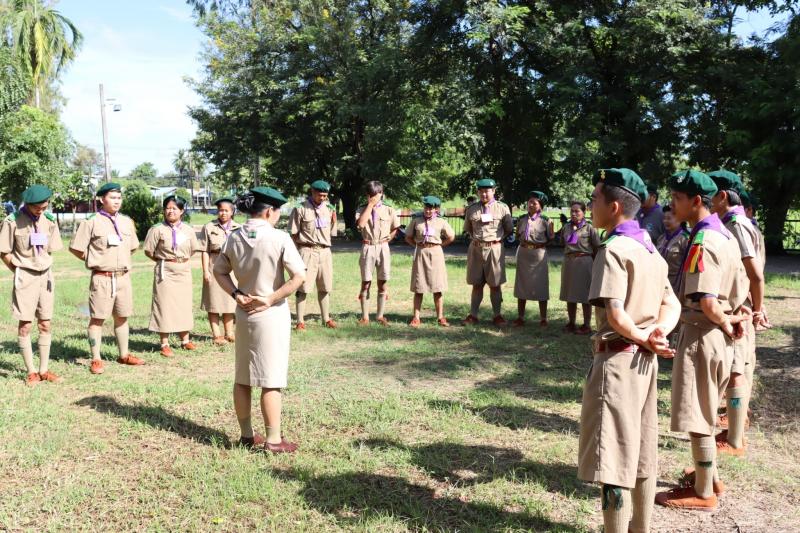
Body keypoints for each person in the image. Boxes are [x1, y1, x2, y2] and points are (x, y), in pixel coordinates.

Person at [578, 168, 680, 533]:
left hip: (618, 362)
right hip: (645, 362)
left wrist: (641, 335)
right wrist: (657, 334)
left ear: (615, 206)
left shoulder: (614, 249)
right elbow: (674, 305)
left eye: (594, 199)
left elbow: (617, 315)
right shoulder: (650, 249)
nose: (590, 205)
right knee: (642, 450)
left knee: (614, 457)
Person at [655, 169, 749, 512]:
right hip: (716, 333)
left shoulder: (703, 241)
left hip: (702, 333)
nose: (672, 204)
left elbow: (707, 301)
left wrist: (724, 320)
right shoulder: (723, 235)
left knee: (697, 414)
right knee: (707, 411)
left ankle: (703, 491)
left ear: (696, 202)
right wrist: (731, 319)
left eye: (677, 199)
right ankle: (708, 475)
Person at [213, 187, 306, 453]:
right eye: (277, 211)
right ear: (269, 211)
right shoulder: (279, 238)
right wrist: (271, 298)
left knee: (242, 377)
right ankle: (273, 440)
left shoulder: (234, 237)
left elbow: (219, 271)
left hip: (244, 314)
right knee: (271, 379)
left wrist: (236, 294)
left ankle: (245, 435)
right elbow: (299, 276)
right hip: (271, 314)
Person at [708, 170, 766, 455]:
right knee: (736, 370)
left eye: (709, 195)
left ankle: (734, 438)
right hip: (741, 305)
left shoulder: (735, 224)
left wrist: (757, 309)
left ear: (722, 196)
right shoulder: (736, 221)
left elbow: (754, 273)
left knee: (735, 372)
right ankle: (734, 429)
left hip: (739, 307)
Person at [70, 182, 145, 374]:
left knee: (122, 317)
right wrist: (95, 259)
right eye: (112, 198)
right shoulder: (91, 222)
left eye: (119, 198)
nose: (117, 201)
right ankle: (95, 358)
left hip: (123, 278)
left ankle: (124, 354)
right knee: (97, 319)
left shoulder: (127, 221)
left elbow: (133, 246)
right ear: (102, 199)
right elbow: (76, 248)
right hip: (102, 278)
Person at [0, 185, 63, 386]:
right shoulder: (12, 222)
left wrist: (41, 267)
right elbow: (4, 252)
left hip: (45, 276)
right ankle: (31, 371)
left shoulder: (50, 221)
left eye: (44, 207)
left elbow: (50, 250)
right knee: (25, 324)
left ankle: (44, 369)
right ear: (27, 204)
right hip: (25, 275)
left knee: (45, 323)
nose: (41, 210)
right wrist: (19, 271)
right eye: (37, 207)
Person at [144, 195, 200, 357]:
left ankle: (185, 340)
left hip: (183, 270)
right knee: (164, 305)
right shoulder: (157, 229)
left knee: (183, 304)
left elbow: (193, 249)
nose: (170, 211)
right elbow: (149, 250)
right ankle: (164, 343)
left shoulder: (188, 230)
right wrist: (164, 261)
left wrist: (180, 260)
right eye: (167, 208)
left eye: (174, 208)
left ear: (182, 211)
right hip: (165, 271)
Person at [462, 178, 513, 325]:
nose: (484, 194)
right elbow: (468, 229)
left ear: (493, 191)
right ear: (478, 192)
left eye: (487, 191)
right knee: (476, 284)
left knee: (495, 284)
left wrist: (496, 241)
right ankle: (473, 315)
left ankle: (497, 315)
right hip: (476, 249)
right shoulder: (471, 209)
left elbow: (509, 229)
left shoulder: (502, 208)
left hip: (494, 249)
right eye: (481, 191)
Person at [288, 180, 338, 330]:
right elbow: (293, 233)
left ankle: (326, 318)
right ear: (312, 192)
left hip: (324, 251)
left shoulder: (330, 209)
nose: (322, 198)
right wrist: (299, 251)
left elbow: (332, 232)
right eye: (319, 195)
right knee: (303, 287)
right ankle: (300, 321)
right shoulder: (300, 209)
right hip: (306, 250)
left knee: (325, 286)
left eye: (325, 195)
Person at [405, 195, 456, 327]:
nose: (428, 211)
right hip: (421, 253)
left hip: (436, 254)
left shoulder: (441, 222)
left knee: (438, 287)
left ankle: (440, 317)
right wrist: (417, 245)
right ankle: (416, 317)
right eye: (426, 208)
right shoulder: (417, 221)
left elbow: (451, 236)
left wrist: (440, 245)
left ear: (436, 209)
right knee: (418, 286)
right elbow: (408, 236)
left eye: (431, 208)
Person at [355, 181, 401, 326]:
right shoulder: (361, 209)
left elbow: (395, 227)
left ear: (382, 194)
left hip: (383, 247)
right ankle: (365, 317)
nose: (375, 198)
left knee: (383, 283)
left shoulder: (389, 209)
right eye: (372, 195)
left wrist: (391, 236)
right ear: (368, 196)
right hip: (368, 247)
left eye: (378, 194)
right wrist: (370, 205)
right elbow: (361, 224)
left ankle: (380, 316)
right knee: (366, 283)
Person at [200, 197, 241, 345]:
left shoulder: (239, 228)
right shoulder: (209, 227)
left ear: (232, 211)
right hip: (214, 265)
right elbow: (205, 251)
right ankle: (217, 335)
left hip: (232, 268)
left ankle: (229, 332)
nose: (223, 213)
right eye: (220, 210)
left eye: (226, 210)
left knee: (230, 301)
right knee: (213, 301)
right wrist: (206, 271)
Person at [512, 190, 554, 327]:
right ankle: (520, 317)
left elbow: (551, 238)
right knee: (521, 284)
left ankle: (543, 318)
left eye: (534, 203)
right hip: (524, 253)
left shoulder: (546, 221)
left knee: (541, 285)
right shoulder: (521, 219)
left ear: (540, 205)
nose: (531, 205)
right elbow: (518, 235)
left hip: (538, 254)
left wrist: (538, 245)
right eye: (529, 202)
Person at [560, 201, 601, 334]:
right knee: (569, 293)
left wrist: (594, 264)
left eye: (577, 211)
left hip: (584, 262)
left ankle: (586, 324)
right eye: (572, 211)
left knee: (585, 295)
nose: (574, 213)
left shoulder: (590, 227)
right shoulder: (566, 227)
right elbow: (562, 243)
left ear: (584, 213)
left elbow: (596, 247)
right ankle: (571, 322)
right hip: (569, 262)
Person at [656, 205, 690, 295]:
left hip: (675, 289)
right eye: (664, 218)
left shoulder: (685, 240)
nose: (665, 221)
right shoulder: (661, 238)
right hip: (659, 286)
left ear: (680, 219)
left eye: (669, 218)